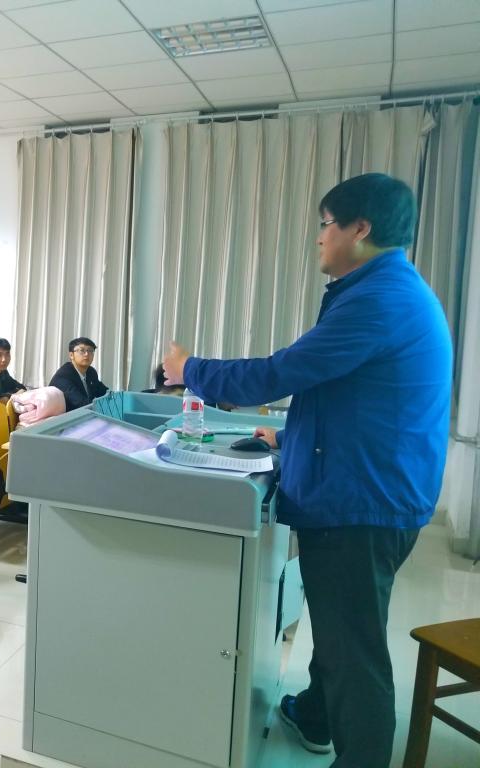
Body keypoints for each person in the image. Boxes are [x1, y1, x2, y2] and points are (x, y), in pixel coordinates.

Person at [161, 173, 451, 768]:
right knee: (341, 625)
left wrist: (191, 369)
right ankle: (316, 715)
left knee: (355, 654)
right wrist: (291, 436)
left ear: (359, 228)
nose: (319, 237)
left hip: (360, 505)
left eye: (326, 224)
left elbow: (280, 372)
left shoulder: (378, 300)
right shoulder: (390, 291)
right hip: (371, 488)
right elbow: (356, 401)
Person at [49, 337, 109, 411]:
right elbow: (80, 403)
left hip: (84, 413)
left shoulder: (91, 372)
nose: (87, 354)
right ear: (71, 355)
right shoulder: (64, 375)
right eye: (82, 350)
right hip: (66, 416)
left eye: (90, 350)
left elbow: (104, 392)